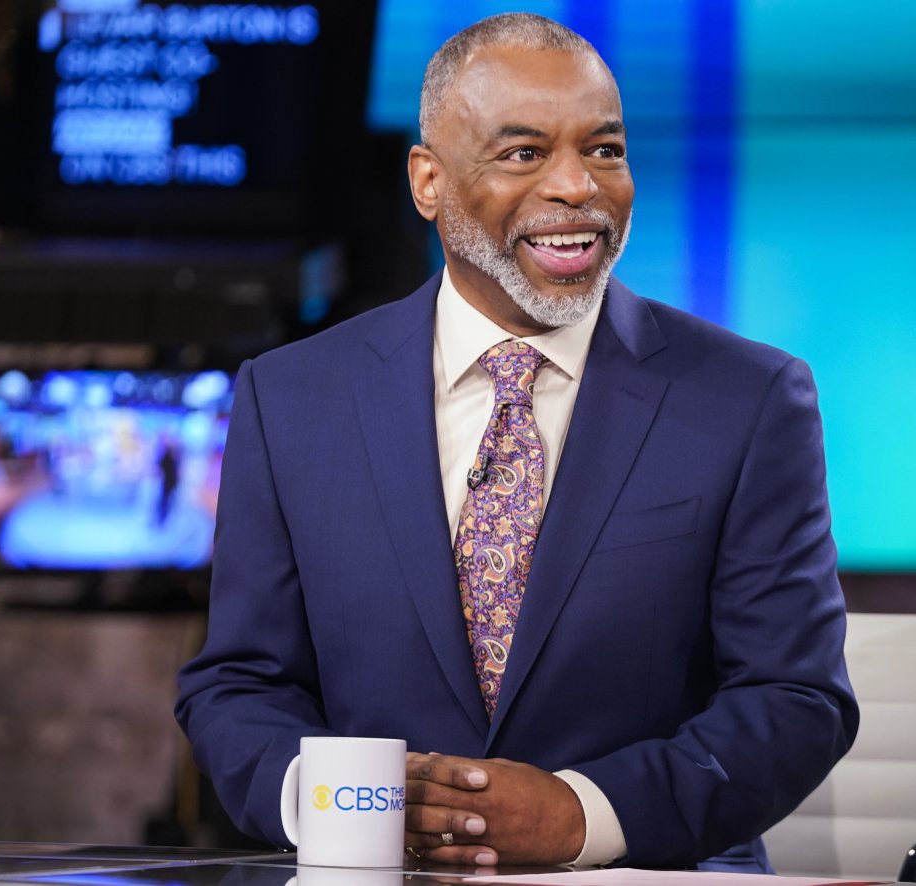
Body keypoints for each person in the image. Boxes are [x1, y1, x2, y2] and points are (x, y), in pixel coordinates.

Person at [176, 12, 858, 873]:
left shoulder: (748, 399)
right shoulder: (292, 398)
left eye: (604, 150)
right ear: (428, 181)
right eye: (524, 153)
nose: (577, 186)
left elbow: (794, 700)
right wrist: (344, 806)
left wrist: (581, 815)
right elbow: (239, 685)